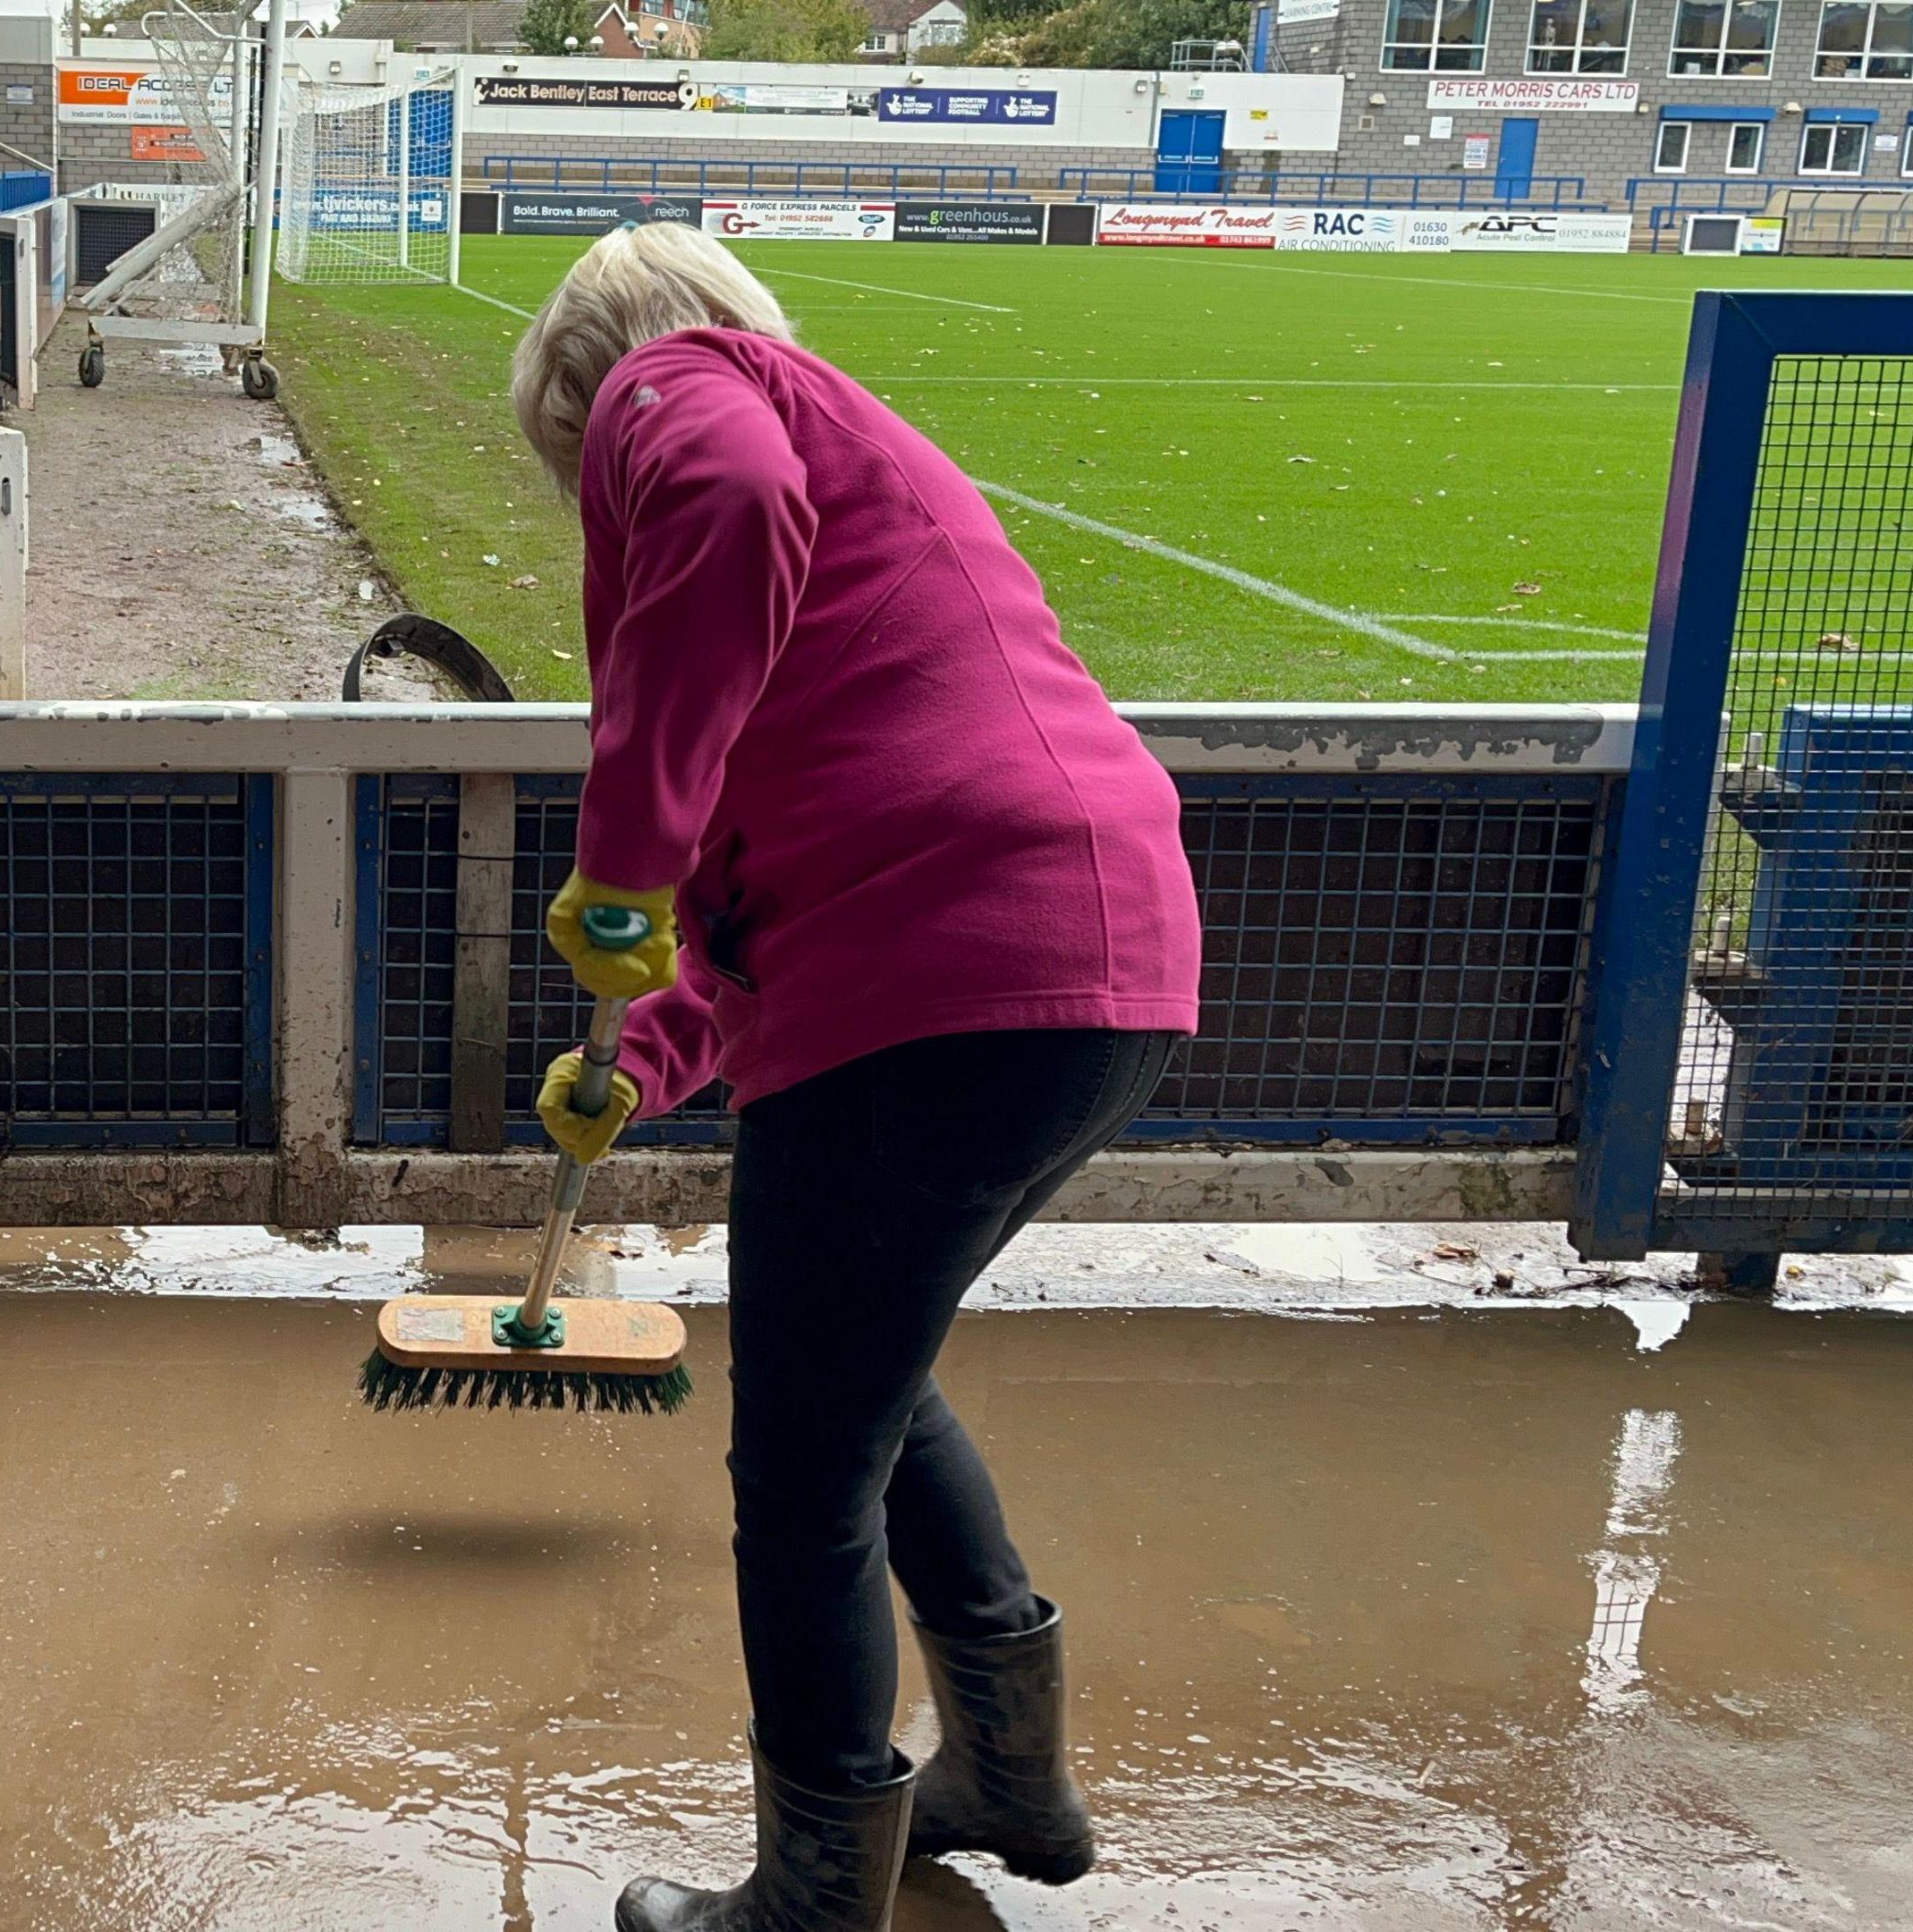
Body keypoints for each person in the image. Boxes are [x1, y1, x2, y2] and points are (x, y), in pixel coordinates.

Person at [508, 224, 1205, 1932]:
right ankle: (1012, 1784)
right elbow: (779, 891)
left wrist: (620, 861)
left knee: (806, 1468)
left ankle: (813, 1896)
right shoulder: (851, 471)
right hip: (1093, 974)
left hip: (954, 971)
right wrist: (650, 1055)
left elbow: (721, 516)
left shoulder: (679, 382)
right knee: (874, 1393)